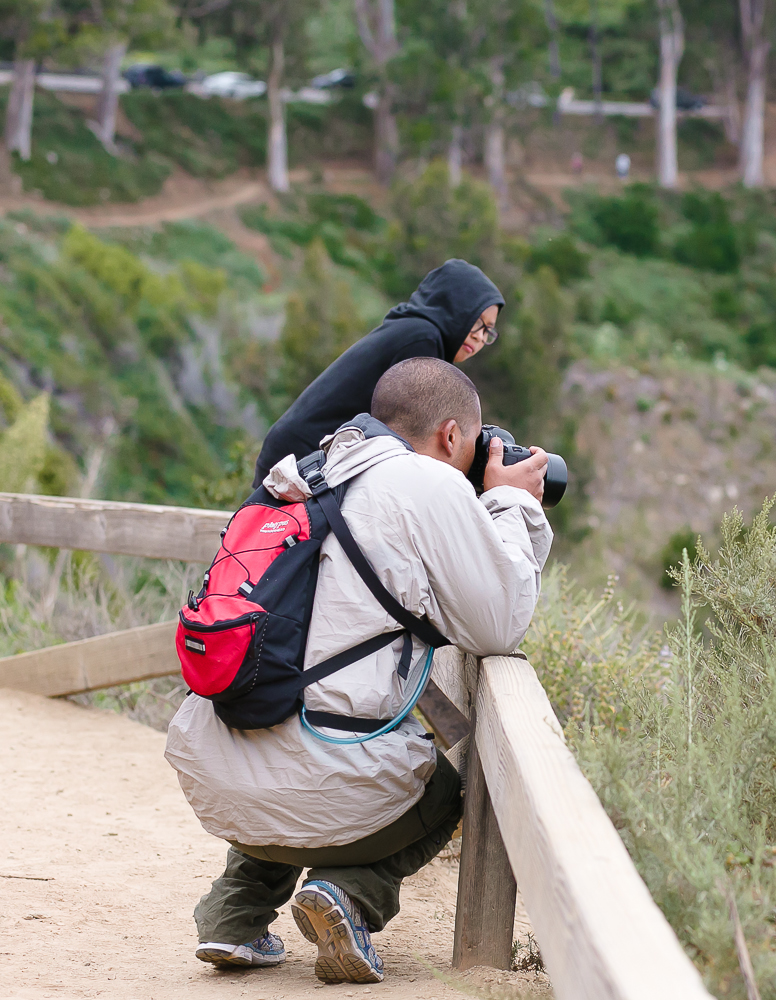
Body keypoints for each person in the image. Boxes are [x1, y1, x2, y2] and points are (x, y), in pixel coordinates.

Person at [166, 358, 552, 985]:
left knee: (288, 744)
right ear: (452, 436)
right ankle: (349, 895)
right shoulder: (426, 483)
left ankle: (232, 919)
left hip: (214, 770)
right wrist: (510, 499)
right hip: (324, 781)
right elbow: (499, 623)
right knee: (443, 795)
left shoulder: (304, 471)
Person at [252, 258, 506, 486]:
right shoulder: (421, 339)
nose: (479, 336)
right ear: (453, 304)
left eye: (488, 330)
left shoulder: (414, 331)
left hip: (303, 456)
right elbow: (414, 439)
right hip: (303, 458)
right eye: (475, 320)